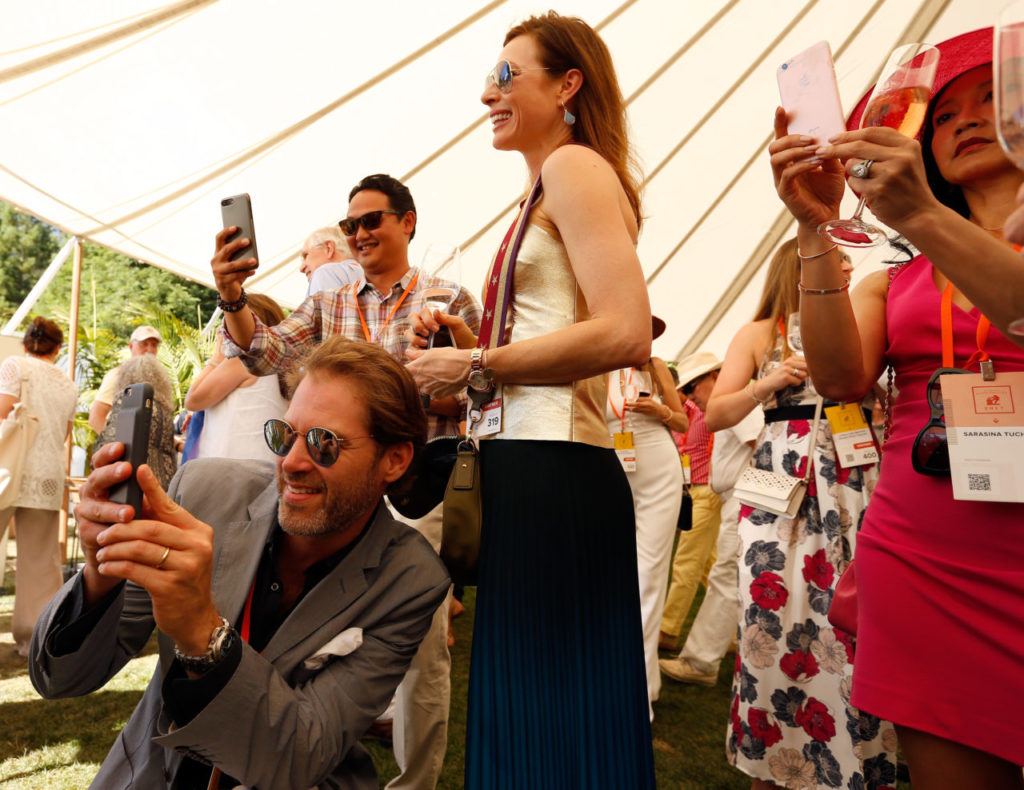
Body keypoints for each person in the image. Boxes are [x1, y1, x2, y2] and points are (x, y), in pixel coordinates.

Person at [406, 12, 655, 788]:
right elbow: (560, 327)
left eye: (507, 75)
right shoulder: (546, 184)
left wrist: (476, 361)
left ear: (568, 84)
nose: (488, 93)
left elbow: (626, 332)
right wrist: (470, 342)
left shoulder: (575, 168)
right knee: (541, 704)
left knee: (549, 706)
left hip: (557, 475)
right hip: (529, 468)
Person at [771, 27, 1024, 787]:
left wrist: (918, 216)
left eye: (992, 96)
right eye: (943, 114)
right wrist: (814, 226)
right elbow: (840, 377)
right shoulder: (897, 278)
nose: (965, 120)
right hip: (923, 556)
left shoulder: (924, 231)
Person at [29, 336, 450, 790]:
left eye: (323, 443)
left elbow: (300, 755)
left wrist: (201, 633)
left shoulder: (410, 580)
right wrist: (99, 574)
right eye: (284, 435)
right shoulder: (205, 493)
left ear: (395, 459)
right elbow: (60, 679)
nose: (291, 462)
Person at [211, 173, 480, 790]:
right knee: (307, 622)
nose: (358, 233)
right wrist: (232, 299)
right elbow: (266, 353)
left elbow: (484, 396)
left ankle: (414, 783)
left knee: (424, 647)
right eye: (351, 223)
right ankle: (290, 748)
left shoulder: (450, 299)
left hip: (415, 485)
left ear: (408, 222)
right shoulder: (330, 302)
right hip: (335, 488)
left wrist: (453, 370)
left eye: (372, 220)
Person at [703, 238, 895, 789]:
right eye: (839, 262)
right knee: (772, 616)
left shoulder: (859, 325)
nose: (849, 270)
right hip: (778, 476)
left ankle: (849, 759)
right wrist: (769, 383)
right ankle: (772, 761)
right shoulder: (760, 331)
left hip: (851, 473)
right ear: (802, 267)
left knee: (851, 619)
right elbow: (716, 413)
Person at [605, 316, 688, 721]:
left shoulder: (655, 368)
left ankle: (638, 691)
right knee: (607, 576)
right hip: (607, 470)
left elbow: (685, 421)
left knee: (650, 575)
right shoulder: (591, 365)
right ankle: (615, 675)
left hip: (657, 469)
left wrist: (660, 410)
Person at [660, 361, 763, 687]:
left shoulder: (735, 403)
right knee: (724, 574)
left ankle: (701, 661)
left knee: (723, 575)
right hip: (737, 493)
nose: (690, 397)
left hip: (745, 493)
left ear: (716, 376)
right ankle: (717, 651)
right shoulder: (731, 403)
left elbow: (760, 445)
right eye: (686, 390)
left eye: (693, 387)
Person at [0, 317, 77, 657]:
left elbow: (2, 413)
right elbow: (63, 433)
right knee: (40, 561)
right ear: (57, 348)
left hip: (8, 467)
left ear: (27, 343)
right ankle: (35, 639)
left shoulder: (14, 366)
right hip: (46, 473)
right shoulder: (68, 384)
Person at [658, 352, 722, 653]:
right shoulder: (681, 413)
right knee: (709, 565)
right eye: (688, 385)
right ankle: (732, 631)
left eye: (693, 383)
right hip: (694, 489)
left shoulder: (708, 412)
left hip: (705, 489)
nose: (690, 390)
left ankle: (668, 631)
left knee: (686, 563)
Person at [185, 293, 289, 463]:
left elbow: (193, 400)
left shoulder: (245, 360)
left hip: (231, 466)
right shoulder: (281, 363)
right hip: (265, 464)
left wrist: (216, 358)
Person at [93, 352, 178, 489]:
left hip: (132, 486)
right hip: (164, 487)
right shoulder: (164, 412)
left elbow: (109, 443)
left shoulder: (127, 404)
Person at [88, 324, 162, 434]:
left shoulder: (157, 380)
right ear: (131, 346)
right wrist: (115, 446)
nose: (150, 349)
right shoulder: (117, 375)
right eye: (144, 344)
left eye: (154, 345)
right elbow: (96, 418)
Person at [301, 225, 365, 296]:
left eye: (306, 255)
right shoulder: (368, 274)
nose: (301, 268)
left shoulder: (325, 272)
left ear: (329, 248)